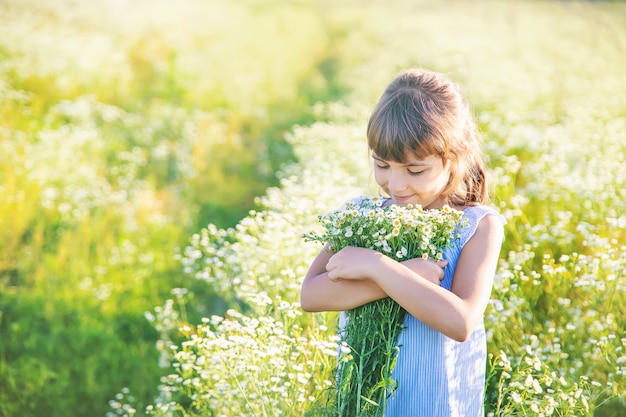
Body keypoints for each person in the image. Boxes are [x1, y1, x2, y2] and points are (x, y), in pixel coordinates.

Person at [300, 68, 506, 416]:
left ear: (454, 157)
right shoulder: (360, 217)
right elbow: (311, 296)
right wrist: (401, 273)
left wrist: (377, 266)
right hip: (366, 402)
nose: (395, 185)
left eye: (414, 171)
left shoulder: (477, 226)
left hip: (437, 405)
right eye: (382, 165)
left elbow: (460, 322)